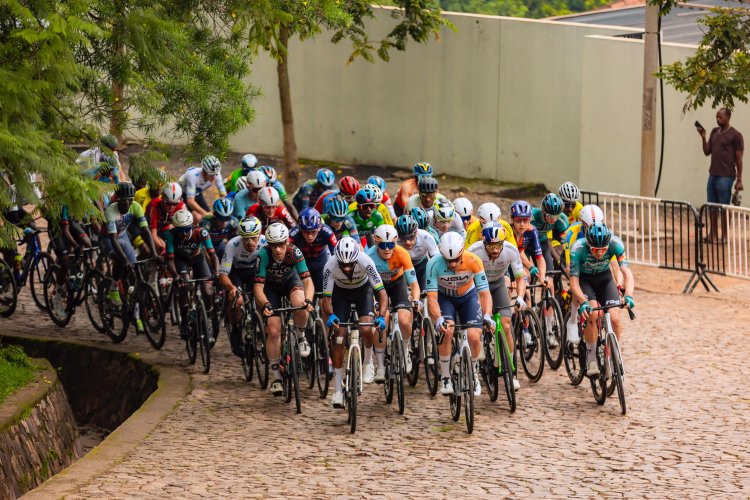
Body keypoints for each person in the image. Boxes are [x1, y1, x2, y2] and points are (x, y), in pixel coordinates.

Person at [321, 237, 388, 408]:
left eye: (350, 264)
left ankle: (368, 362)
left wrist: (381, 315)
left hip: (363, 292)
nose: (346, 268)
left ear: (356, 259)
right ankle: (337, 389)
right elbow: (326, 299)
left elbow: (382, 293)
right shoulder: (330, 265)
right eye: (343, 265)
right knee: (339, 337)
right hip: (340, 294)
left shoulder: (366, 261)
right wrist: (331, 315)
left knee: (366, 329)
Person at [425, 232, 491, 397]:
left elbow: (484, 293)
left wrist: (488, 315)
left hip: (468, 296)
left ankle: (473, 372)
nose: (453, 264)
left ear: (462, 252)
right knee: (447, 330)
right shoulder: (433, 264)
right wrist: (438, 319)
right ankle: (445, 376)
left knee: (474, 336)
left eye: (456, 259)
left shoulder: (473, 260)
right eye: (449, 260)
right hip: (445, 298)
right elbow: (432, 298)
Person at [254, 223, 315, 396]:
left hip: (290, 281)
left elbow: (308, 281)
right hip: (271, 288)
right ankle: (276, 378)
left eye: (281, 244)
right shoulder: (263, 255)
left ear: (287, 242)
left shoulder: (294, 252)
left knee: (300, 303)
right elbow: (258, 288)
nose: (278, 249)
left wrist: (308, 300)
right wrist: (265, 304)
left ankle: (301, 336)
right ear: (269, 244)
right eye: (274, 245)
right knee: (273, 331)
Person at [569, 223, 634, 377]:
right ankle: (592, 359)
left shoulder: (616, 243)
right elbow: (574, 282)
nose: (599, 253)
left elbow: (627, 273)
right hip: (585, 280)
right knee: (592, 314)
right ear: (588, 244)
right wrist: (583, 302)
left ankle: (612, 355)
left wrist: (629, 295)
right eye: (595, 250)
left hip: (604, 279)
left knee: (615, 319)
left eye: (603, 249)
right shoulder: (578, 248)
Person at [467, 222, 526, 391]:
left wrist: (520, 297)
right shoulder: (474, 251)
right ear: (484, 242)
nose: (494, 250)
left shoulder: (510, 250)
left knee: (506, 324)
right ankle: (479, 350)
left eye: (498, 246)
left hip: (498, 283)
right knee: (478, 321)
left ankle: (512, 372)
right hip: (478, 285)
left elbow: (520, 278)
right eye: (491, 246)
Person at [366, 225, 420, 374]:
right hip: (378, 287)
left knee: (404, 319)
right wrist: (373, 303)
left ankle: (405, 350)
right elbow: (366, 286)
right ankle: (380, 365)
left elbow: (413, 283)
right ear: (376, 243)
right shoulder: (369, 256)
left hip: (397, 284)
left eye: (390, 245)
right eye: (383, 245)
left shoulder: (402, 253)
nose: (387, 249)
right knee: (382, 319)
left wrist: (416, 299)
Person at [166, 209, 220, 342]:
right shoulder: (171, 234)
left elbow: (213, 255)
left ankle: (208, 317)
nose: (184, 233)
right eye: (180, 230)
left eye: (186, 229)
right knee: (184, 284)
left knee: (207, 290)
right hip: (181, 260)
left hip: (198, 259)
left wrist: (216, 272)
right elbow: (170, 260)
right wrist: (176, 276)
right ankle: (184, 319)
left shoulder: (201, 232)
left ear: (191, 226)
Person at [218, 216, 265, 357]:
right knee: (237, 300)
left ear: (259, 234)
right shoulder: (232, 245)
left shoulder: (265, 242)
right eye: (246, 238)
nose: (250, 242)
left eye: (253, 238)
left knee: (261, 297)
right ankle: (235, 329)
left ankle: (261, 328)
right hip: (236, 272)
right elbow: (223, 275)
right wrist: (231, 288)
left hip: (253, 272)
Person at [700, 108, 744, 242]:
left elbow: (739, 158)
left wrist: (739, 180)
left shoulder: (736, 135)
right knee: (712, 207)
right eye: (716, 117)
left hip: (726, 176)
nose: (717, 119)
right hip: (713, 175)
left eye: (720, 117)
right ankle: (712, 234)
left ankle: (724, 236)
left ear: (728, 117)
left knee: (724, 207)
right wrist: (703, 137)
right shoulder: (714, 132)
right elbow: (707, 151)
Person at [289, 208, 337, 292]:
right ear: (300, 229)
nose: (310, 236)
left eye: (313, 232)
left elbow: (336, 255)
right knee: (301, 290)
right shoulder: (294, 233)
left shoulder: (327, 232)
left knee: (322, 291)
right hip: (301, 262)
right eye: (306, 232)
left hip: (320, 262)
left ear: (319, 228)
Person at [178, 155, 227, 224]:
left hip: (197, 193)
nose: (214, 177)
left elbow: (223, 193)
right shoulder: (193, 176)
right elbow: (190, 201)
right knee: (198, 217)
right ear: (204, 172)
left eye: (216, 174)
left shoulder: (215, 172)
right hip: (183, 195)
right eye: (211, 175)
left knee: (211, 219)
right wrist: (204, 213)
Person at [395, 214, 438, 292]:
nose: (407, 242)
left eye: (411, 237)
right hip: (404, 267)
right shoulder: (394, 240)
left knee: (426, 291)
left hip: (422, 265)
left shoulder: (426, 237)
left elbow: (436, 261)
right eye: (403, 238)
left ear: (416, 232)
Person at [146, 181, 186, 254]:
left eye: (175, 204)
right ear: (162, 198)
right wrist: (163, 250)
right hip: (149, 231)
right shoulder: (154, 205)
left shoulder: (181, 206)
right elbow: (153, 234)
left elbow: (185, 228)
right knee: (162, 246)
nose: (171, 207)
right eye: (168, 203)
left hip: (164, 230)